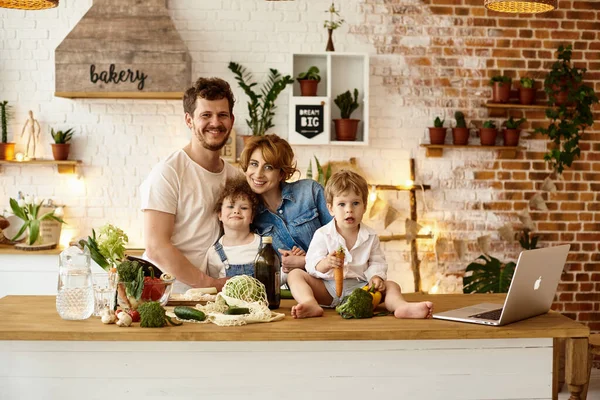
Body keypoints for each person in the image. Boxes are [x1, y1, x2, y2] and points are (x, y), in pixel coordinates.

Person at [287, 169, 434, 319]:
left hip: (362, 289)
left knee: (392, 286)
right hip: (328, 289)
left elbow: (377, 262)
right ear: (331, 209)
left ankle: (401, 307)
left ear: (364, 206)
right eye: (342, 204)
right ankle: (310, 303)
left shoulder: (370, 236)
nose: (349, 210)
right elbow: (311, 263)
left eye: (355, 203)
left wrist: (376, 277)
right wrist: (325, 263)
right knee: (295, 274)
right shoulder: (323, 234)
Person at [140, 77, 241, 292]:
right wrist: (210, 284)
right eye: (206, 115)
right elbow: (156, 246)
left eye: (222, 115)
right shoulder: (168, 172)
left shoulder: (235, 177)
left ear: (231, 120)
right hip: (168, 295)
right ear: (189, 120)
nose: (215, 122)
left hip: (211, 297)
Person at [239, 134, 332, 277]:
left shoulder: (310, 192)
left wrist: (305, 261)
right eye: (254, 164)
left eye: (268, 167)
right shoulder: (249, 214)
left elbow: (342, 238)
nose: (258, 174)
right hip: (289, 291)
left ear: (282, 173)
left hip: (332, 281)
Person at [206, 177, 261, 279]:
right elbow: (214, 288)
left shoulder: (263, 246)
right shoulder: (214, 253)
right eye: (230, 207)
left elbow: (276, 278)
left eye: (244, 208)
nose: (236, 211)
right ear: (220, 215)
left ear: (252, 217)